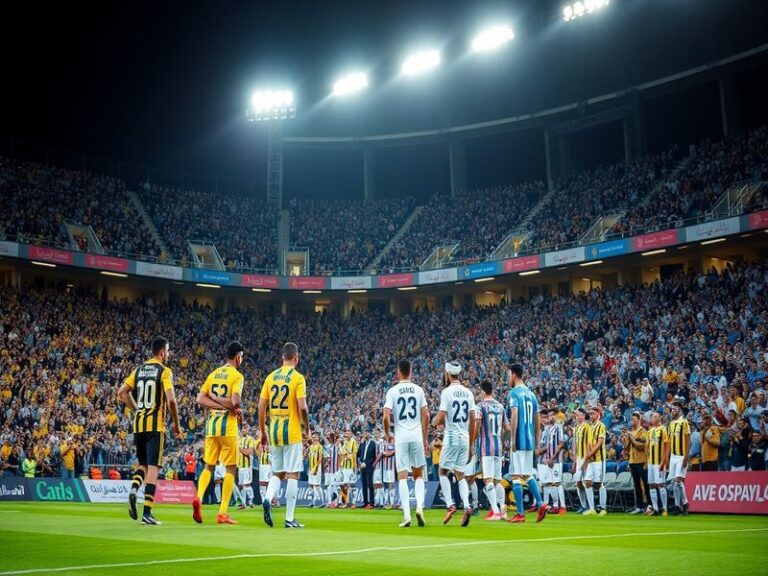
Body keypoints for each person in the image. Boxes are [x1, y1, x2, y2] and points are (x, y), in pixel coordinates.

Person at [117, 336, 182, 525]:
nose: (168, 354)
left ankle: (134, 488)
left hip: (139, 425)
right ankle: (147, 513)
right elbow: (171, 400)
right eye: (168, 351)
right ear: (162, 352)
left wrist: (137, 409)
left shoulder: (138, 370)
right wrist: (177, 425)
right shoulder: (164, 371)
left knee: (143, 466)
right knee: (153, 469)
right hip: (155, 426)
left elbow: (122, 392)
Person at [191, 341, 245, 525]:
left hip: (211, 426)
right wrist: (226, 404)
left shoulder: (213, 374)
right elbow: (235, 402)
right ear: (238, 356)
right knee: (230, 468)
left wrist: (214, 399)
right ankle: (222, 513)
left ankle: (198, 497)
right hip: (227, 427)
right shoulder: (237, 376)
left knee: (209, 466)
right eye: (242, 357)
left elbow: (200, 399)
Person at [259, 342, 311, 529]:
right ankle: (289, 518)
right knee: (292, 475)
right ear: (296, 357)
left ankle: (267, 498)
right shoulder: (298, 378)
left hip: (273, 431)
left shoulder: (271, 377)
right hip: (292, 431)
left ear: (282, 357)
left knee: (277, 473)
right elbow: (303, 406)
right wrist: (307, 430)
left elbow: (261, 406)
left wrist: (262, 431)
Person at [383, 359, 429, 528]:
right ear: (411, 371)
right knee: (418, 475)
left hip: (401, 437)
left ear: (398, 372)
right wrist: (425, 438)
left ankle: (407, 515)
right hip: (416, 435)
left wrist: (388, 433)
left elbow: (386, 416)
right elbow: (426, 415)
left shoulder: (392, 391)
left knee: (402, 476)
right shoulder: (419, 390)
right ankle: (419, 507)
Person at [434, 360, 477, 527]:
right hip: (465, 438)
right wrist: (472, 444)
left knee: (442, 472)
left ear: (447, 374)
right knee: (460, 475)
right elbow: (473, 420)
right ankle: (466, 505)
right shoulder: (468, 393)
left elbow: (441, 416)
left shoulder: (447, 392)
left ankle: (450, 505)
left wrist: (433, 422)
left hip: (451, 436)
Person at [506, 362, 548, 524]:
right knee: (527, 473)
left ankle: (520, 513)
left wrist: (513, 438)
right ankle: (540, 503)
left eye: (509, 375)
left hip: (520, 439)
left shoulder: (514, 393)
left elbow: (514, 414)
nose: (508, 378)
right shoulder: (531, 394)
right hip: (530, 440)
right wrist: (536, 437)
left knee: (516, 475)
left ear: (514, 375)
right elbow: (537, 417)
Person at [474, 379, 508, 521]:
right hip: (498, 448)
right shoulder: (500, 406)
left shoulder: (481, 406)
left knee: (488, 480)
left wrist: (474, 437)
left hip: (486, 448)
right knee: (497, 481)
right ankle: (503, 508)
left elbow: (477, 425)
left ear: (482, 391)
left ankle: (495, 511)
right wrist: (503, 440)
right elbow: (507, 427)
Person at [622, 411, 651, 514]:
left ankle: (649, 505)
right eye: (631, 419)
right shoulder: (630, 432)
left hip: (641, 460)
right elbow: (626, 447)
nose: (632, 421)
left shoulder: (643, 431)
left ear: (639, 420)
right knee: (636, 484)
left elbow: (643, 446)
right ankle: (639, 506)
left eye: (634, 419)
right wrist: (625, 439)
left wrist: (632, 439)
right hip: (632, 461)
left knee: (646, 484)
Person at [582, 406, 608, 516]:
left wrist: (590, 453)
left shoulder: (601, 426)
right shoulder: (589, 427)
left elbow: (600, 442)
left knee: (599, 483)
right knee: (587, 482)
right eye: (590, 413)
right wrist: (587, 456)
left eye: (593, 413)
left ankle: (603, 508)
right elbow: (587, 443)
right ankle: (592, 508)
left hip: (599, 459)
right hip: (591, 460)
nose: (591, 415)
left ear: (598, 414)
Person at [668, 401, 690, 515]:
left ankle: (685, 503)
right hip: (673, 456)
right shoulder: (671, 424)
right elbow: (670, 441)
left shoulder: (684, 423)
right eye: (672, 409)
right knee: (674, 482)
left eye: (675, 409)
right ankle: (677, 506)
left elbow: (688, 440)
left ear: (679, 411)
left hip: (681, 456)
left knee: (678, 481)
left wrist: (686, 456)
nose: (673, 411)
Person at [645, 411, 669, 516]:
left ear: (659, 418)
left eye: (654, 417)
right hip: (651, 462)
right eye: (652, 417)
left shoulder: (663, 429)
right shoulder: (649, 431)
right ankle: (655, 508)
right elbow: (647, 447)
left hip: (659, 462)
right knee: (652, 485)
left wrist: (664, 461)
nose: (652, 418)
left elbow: (667, 446)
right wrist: (646, 461)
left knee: (661, 484)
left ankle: (664, 508)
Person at [544, 408, 566, 514]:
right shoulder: (549, 428)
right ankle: (555, 505)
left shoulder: (558, 427)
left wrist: (553, 457)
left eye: (552, 415)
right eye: (549, 415)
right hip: (549, 459)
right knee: (550, 483)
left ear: (556, 416)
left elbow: (561, 443)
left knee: (557, 483)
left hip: (556, 460)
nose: (550, 417)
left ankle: (563, 506)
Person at [571, 407, 590, 513]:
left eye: (579, 415)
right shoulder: (576, 427)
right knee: (578, 482)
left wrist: (586, 459)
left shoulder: (586, 427)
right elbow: (575, 442)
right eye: (576, 415)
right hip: (578, 458)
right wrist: (574, 457)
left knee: (586, 482)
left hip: (585, 457)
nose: (577, 417)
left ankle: (589, 505)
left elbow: (588, 443)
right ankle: (583, 505)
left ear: (583, 415)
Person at [237, 423, 256, 509]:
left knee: (246, 484)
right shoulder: (239, 440)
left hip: (247, 465)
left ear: (248, 430)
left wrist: (240, 449)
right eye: (243, 429)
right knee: (242, 485)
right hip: (240, 465)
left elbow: (250, 452)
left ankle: (250, 501)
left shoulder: (250, 439)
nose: (244, 430)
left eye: (246, 428)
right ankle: (244, 503)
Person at [357, 430, 377, 509]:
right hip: (362, 466)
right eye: (364, 433)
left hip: (369, 466)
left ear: (370, 434)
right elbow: (358, 454)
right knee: (364, 485)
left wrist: (366, 463)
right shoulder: (362, 443)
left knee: (370, 484)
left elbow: (373, 456)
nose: (365, 434)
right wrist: (360, 463)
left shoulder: (373, 443)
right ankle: (365, 502)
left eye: (367, 433)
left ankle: (371, 503)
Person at [339, 429, 358, 509]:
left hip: (351, 466)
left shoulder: (354, 442)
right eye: (346, 433)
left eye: (348, 433)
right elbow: (342, 453)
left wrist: (354, 466)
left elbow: (354, 454)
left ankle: (352, 502)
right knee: (344, 485)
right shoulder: (345, 442)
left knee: (350, 485)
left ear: (351, 434)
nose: (346, 435)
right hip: (344, 466)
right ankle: (347, 502)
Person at [323, 432, 341, 508]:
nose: (331, 439)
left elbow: (340, 457)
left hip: (336, 470)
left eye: (332, 437)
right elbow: (327, 459)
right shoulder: (329, 447)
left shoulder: (336, 447)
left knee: (333, 487)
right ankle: (333, 503)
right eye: (331, 437)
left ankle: (335, 503)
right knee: (332, 487)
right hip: (331, 471)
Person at [307, 433, 323, 508]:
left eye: (316, 437)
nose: (314, 438)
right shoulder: (310, 447)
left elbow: (320, 458)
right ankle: (313, 502)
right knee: (310, 485)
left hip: (317, 468)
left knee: (317, 485)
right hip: (311, 468)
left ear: (318, 438)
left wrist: (316, 469)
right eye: (313, 437)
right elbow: (309, 458)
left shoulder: (319, 446)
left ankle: (322, 501)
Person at [256, 433, 272, 504]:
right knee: (262, 484)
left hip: (268, 468)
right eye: (263, 445)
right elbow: (256, 448)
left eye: (265, 445)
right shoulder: (261, 452)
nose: (264, 446)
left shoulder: (270, 452)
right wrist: (260, 439)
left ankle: (269, 500)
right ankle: (264, 500)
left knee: (268, 484)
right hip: (262, 468)